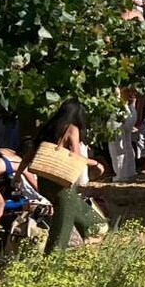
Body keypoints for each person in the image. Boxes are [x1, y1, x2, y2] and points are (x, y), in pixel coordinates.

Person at [32, 100, 107, 254]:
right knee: (62, 231)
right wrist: (95, 164)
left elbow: (30, 154)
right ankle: (53, 261)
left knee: (91, 222)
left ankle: (82, 251)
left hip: (44, 183)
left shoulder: (48, 128)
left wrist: (18, 175)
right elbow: (75, 156)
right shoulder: (72, 129)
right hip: (63, 186)